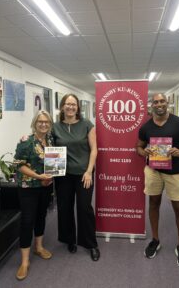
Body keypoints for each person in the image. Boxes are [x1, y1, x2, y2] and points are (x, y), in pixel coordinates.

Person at [136, 93, 179, 268]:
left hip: (175, 172)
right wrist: (144, 152)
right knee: (153, 204)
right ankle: (155, 240)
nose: (159, 104)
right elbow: (138, 147)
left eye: (162, 101)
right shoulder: (146, 127)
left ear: (167, 103)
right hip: (153, 171)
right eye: (156, 102)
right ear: (152, 105)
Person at [52, 93, 100, 261]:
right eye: (67, 104)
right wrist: (26, 138)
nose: (70, 107)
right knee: (65, 208)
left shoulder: (87, 124)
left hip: (83, 174)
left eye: (73, 104)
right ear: (62, 106)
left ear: (78, 107)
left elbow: (94, 149)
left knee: (84, 208)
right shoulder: (55, 126)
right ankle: (69, 239)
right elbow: (45, 144)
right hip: (62, 175)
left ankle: (91, 244)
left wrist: (89, 171)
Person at [14, 110, 54, 280]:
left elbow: (54, 163)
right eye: (40, 122)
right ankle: (24, 261)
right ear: (34, 123)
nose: (43, 124)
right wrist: (39, 176)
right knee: (27, 221)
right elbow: (19, 165)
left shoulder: (50, 141)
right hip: (28, 187)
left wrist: (52, 175)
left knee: (41, 216)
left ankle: (38, 247)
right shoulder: (26, 141)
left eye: (46, 122)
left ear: (50, 124)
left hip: (46, 187)